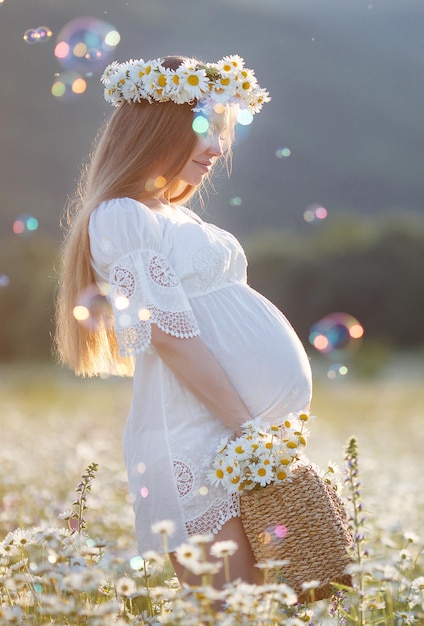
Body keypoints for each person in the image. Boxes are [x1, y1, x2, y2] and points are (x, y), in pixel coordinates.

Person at [55, 54, 312, 588]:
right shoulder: (122, 215)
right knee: (234, 612)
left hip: (236, 435)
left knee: (269, 609)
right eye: (204, 131)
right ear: (156, 131)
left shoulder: (173, 214)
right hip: (200, 439)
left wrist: (257, 433)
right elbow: (170, 338)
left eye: (220, 132)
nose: (217, 149)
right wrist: (247, 430)